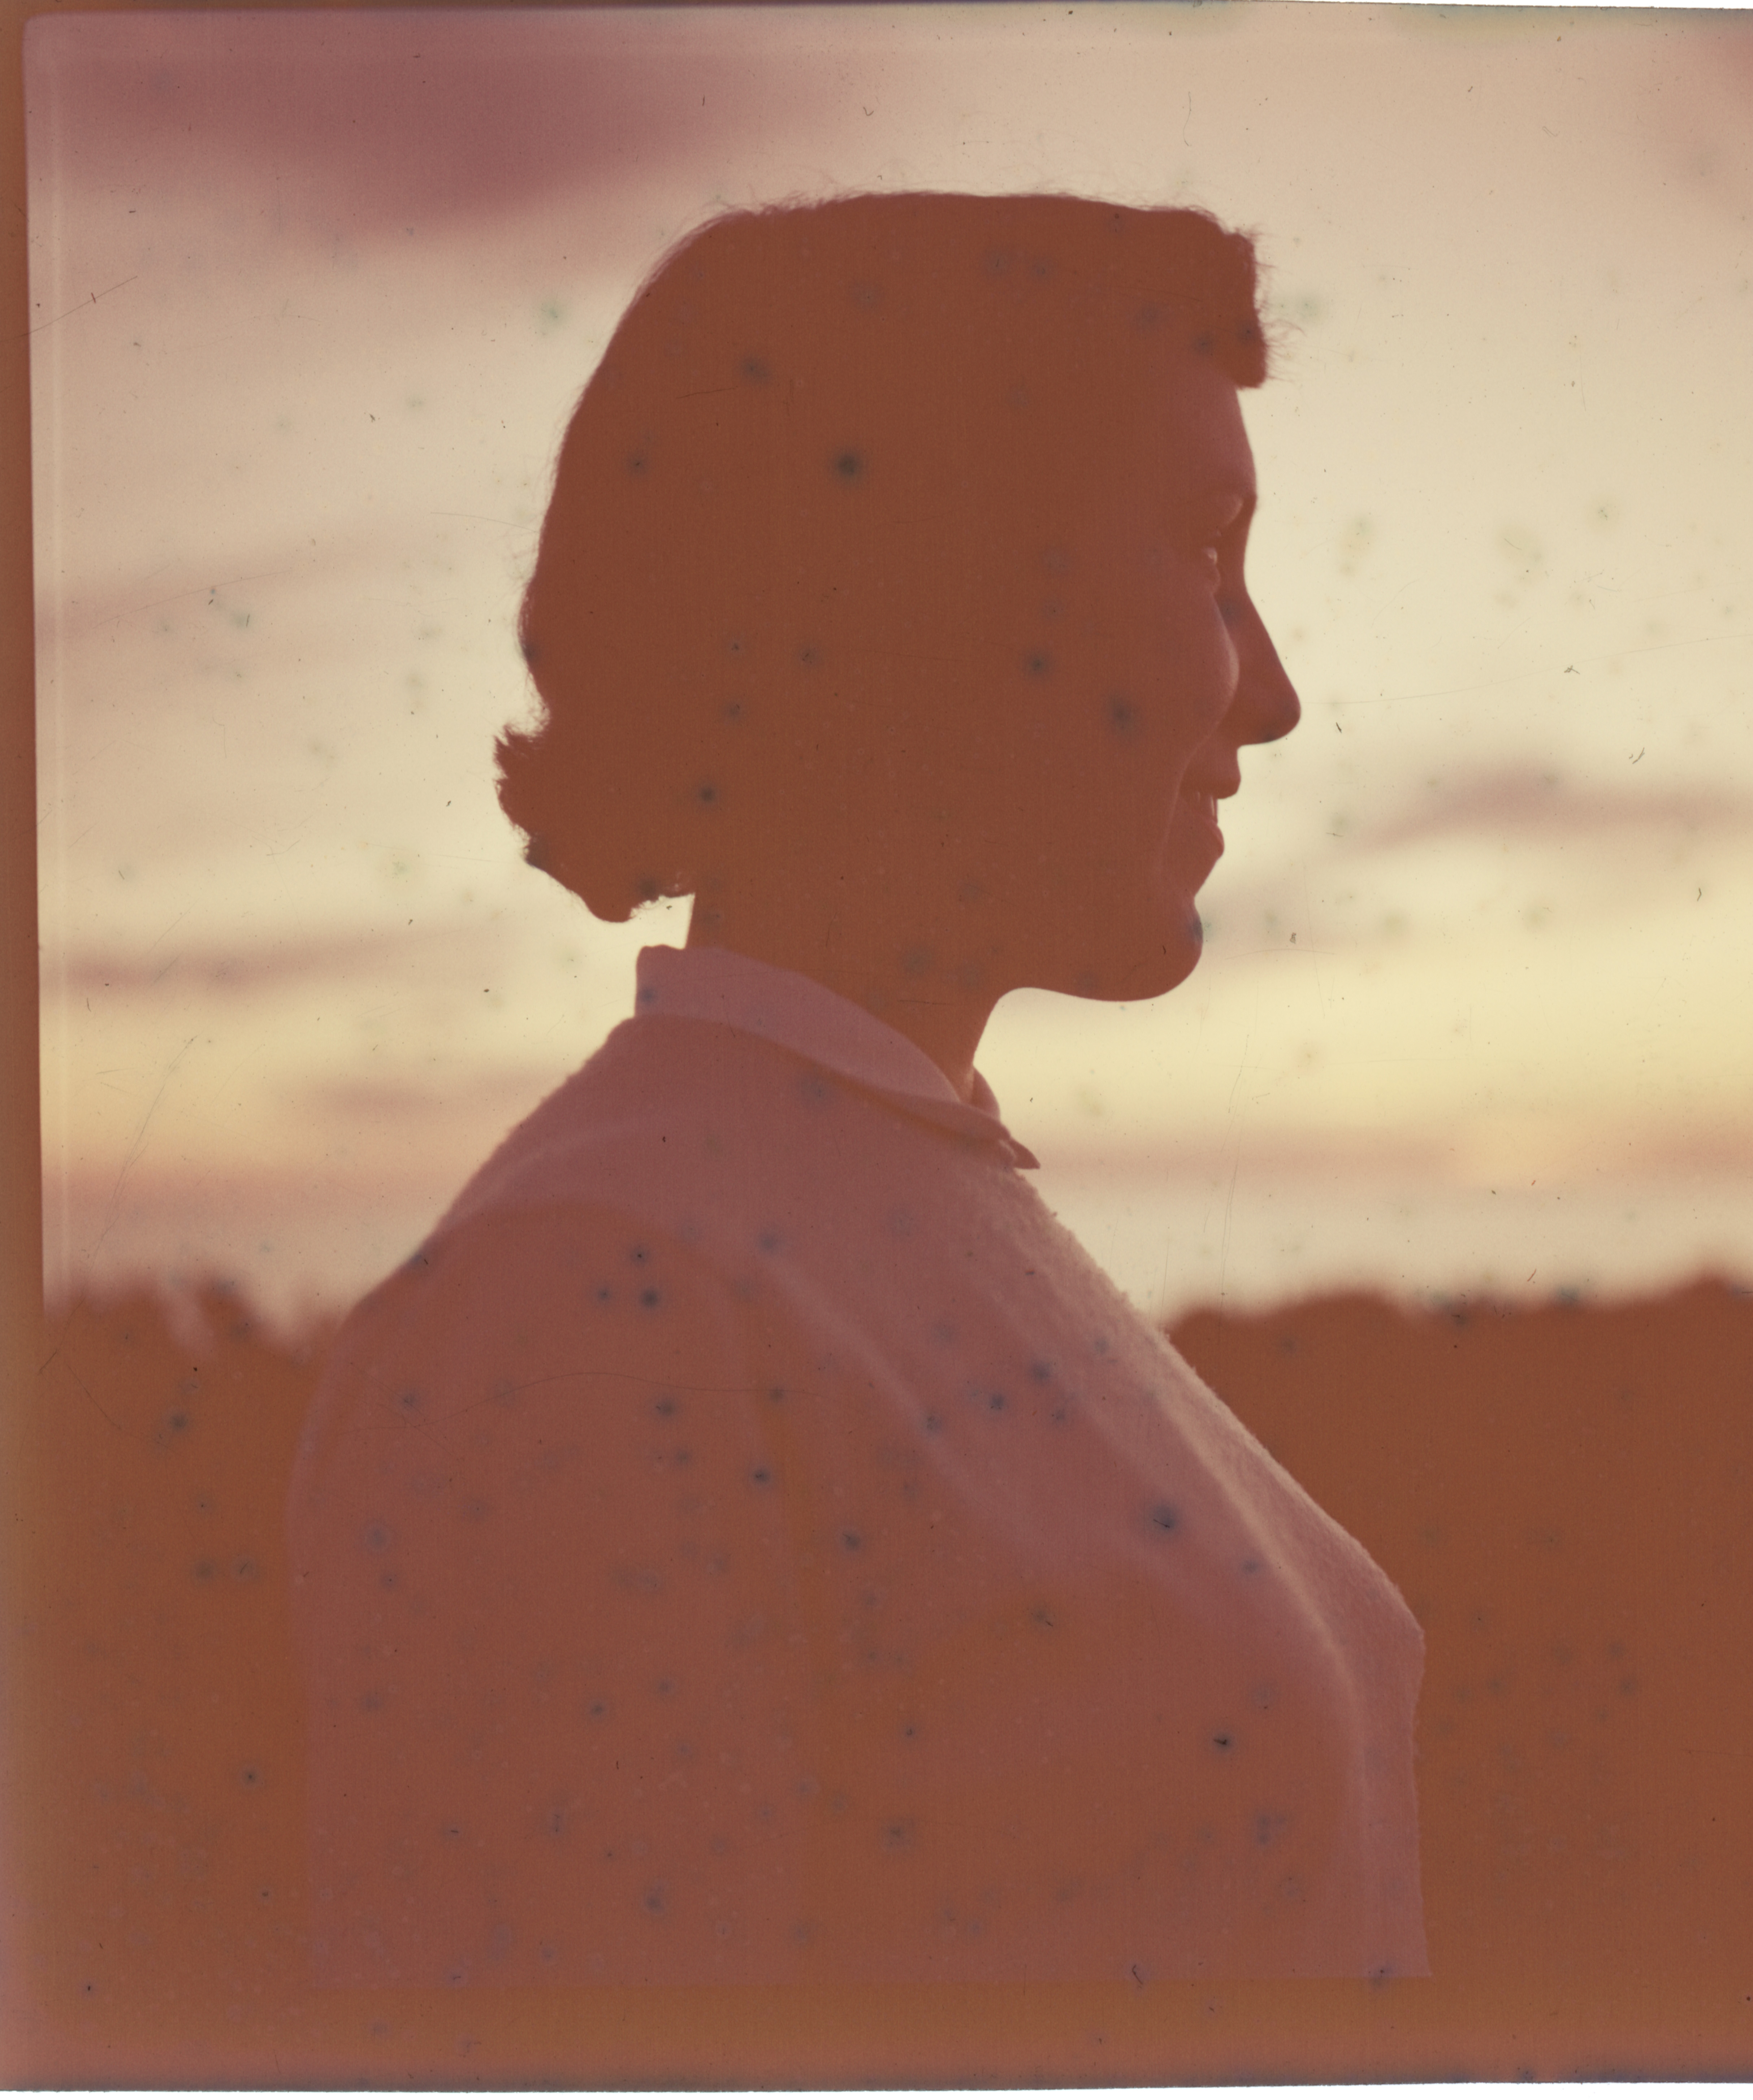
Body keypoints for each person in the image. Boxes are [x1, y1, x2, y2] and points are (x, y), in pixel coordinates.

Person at [287, 191, 1427, 1987]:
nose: (1270, 693)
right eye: (1203, 550)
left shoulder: (870, 1200)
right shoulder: (603, 1293)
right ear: (925, 585)